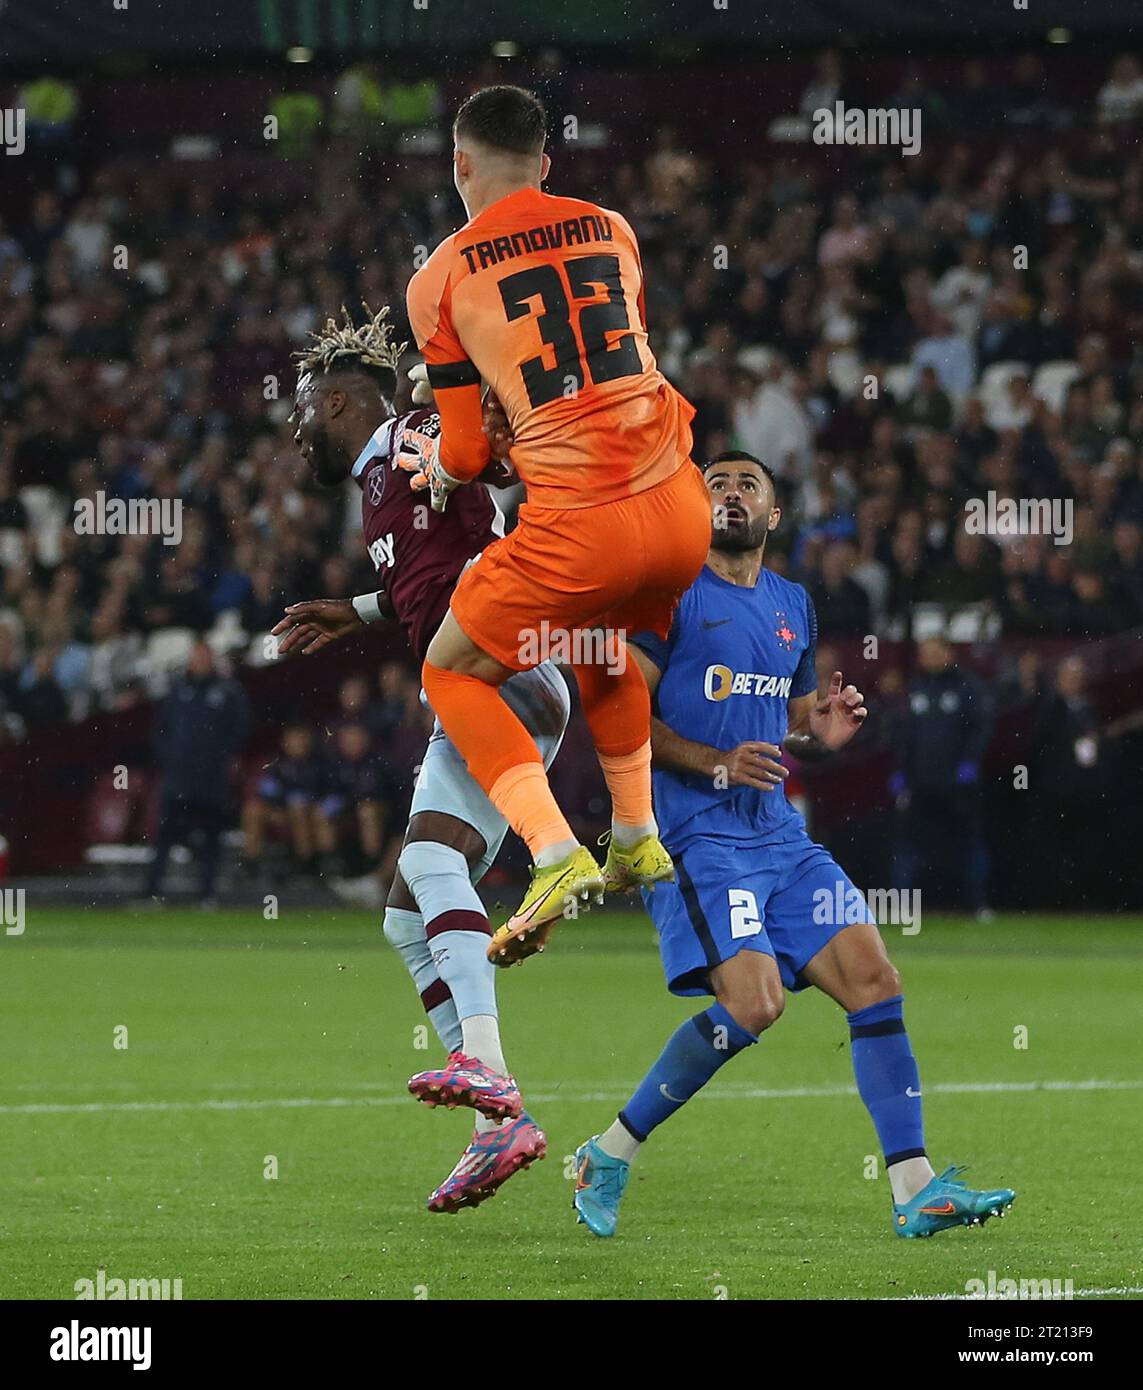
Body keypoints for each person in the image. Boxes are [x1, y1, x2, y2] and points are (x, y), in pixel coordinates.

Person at [571, 451, 1015, 1240]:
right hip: (694, 833)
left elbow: (793, 723)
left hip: (776, 832)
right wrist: (711, 761)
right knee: (755, 1003)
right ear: (695, 507)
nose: (730, 493)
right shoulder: (665, 595)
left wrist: (819, 732)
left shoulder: (791, 605)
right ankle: (608, 1152)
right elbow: (618, 710)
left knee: (875, 980)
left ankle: (913, 1188)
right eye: (715, 484)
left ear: (772, 516)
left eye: (747, 485)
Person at [402, 84, 712, 963]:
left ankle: (551, 852)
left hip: (584, 523)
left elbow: (463, 447)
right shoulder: (612, 227)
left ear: (459, 163)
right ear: (545, 164)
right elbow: (608, 369)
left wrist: (445, 466)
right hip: (679, 507)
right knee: (599, 644)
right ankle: (636, 834)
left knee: (451, 670)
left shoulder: (441, 276)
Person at [274, 306, 569, 1211]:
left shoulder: (408, 433)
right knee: (408, 914)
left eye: (302, 419)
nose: (296, 440)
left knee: (433, 863)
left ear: (335, 404)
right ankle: (495, 1125)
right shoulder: (379, 484)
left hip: (503, 671)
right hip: (486, 679)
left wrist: (494, 423)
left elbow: (478, 456)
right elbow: (440, 567)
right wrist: (356, 610)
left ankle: (488, 1078)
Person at [890, 635, 994, 916]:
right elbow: (901, 734)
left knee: (968, 843)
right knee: (909, 845)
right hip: (919, 784)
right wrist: (900, 770)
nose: (930, 657)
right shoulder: (914, 689)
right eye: (925, 652)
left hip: (958, 785)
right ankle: (903, 908)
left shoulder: (967, 687)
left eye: (936, 651)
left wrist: (970, 762)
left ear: (950, 653)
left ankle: (977, 903)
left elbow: (980, 728)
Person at [144, 640, 250, 904]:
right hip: (178, 779)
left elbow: (240, 731)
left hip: (212, 780)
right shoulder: (177, 691)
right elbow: (160, 731)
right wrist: (171, 760)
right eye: (196, 657)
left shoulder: (228, 692)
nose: (200, 662)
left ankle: (206, 893)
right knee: (164, 837)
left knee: (211, 838)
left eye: (204, 657)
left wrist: (219, 758)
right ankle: (151, 892)